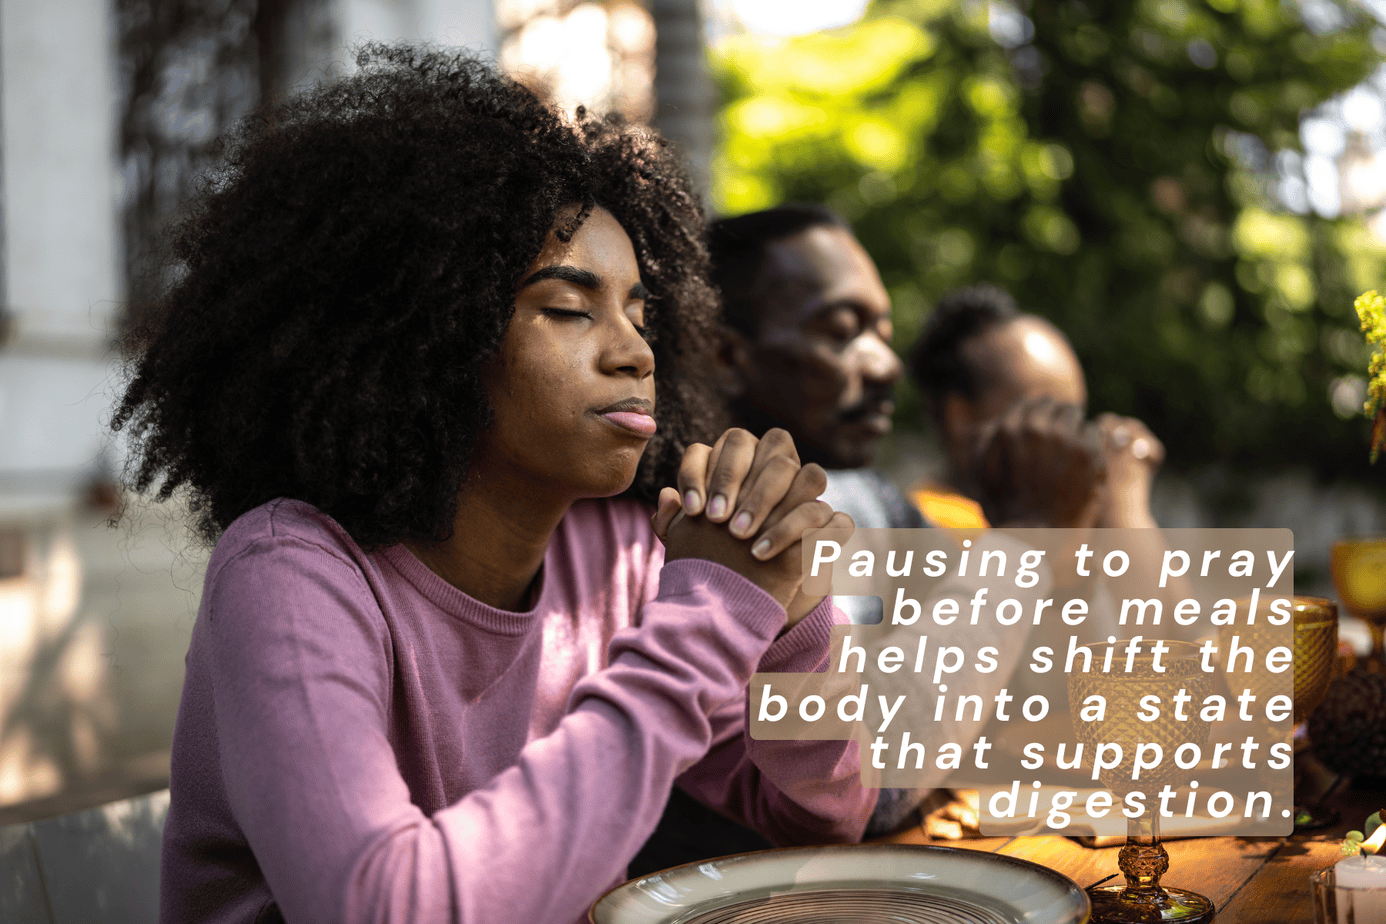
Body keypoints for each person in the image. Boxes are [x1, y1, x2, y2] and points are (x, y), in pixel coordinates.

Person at [112, 46, 872, 924]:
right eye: (568, 307)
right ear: (430, 334)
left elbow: (817, 820)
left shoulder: (615, 553)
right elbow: (387, 907)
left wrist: (793, 616)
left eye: (640, 312)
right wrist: (712, 615)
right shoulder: (289, 573)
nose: (635, 352)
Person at [907, 283, 1163, 530]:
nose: (1073, 436)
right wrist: (1124, 510)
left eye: (1078, 417)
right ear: (960, 417)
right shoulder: (927, 526)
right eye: (1051, 413)